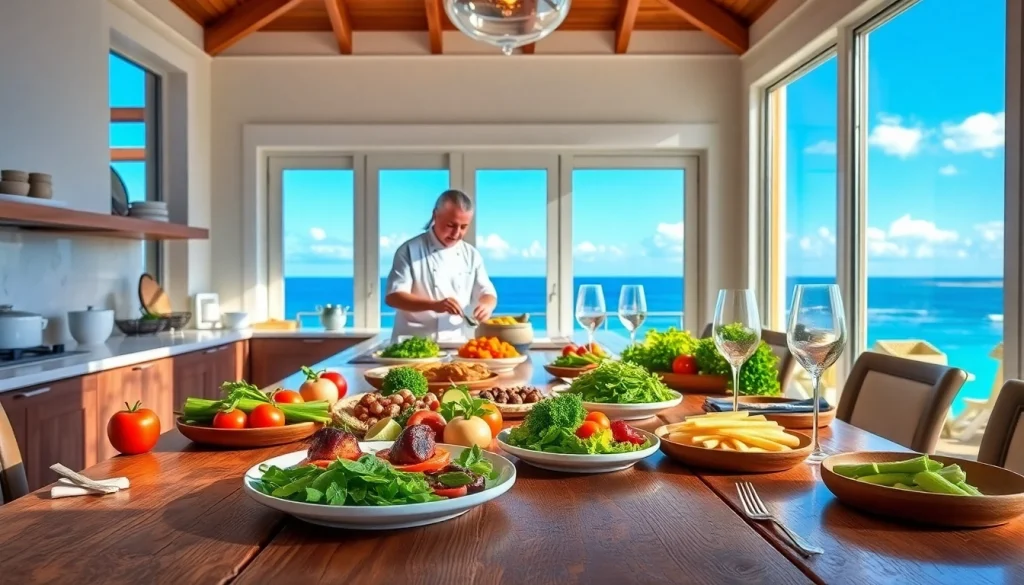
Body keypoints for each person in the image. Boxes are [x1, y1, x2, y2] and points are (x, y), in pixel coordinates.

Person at [384, 189, 498, 341]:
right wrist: (434, 305)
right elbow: (393, 297)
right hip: (414, 345)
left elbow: (487, 291)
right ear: (435, 216)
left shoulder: (471, 254)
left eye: (463, 227)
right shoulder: (409, 250)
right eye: (451, 225)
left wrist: (486, 305)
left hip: (458, 343)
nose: (456, 233)